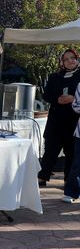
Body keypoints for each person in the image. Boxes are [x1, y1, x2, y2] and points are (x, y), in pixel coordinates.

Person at [39, 49, 80, 187]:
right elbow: (46, 95)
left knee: (71, 152)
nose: (70, 61)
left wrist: (73, 99)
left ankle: (69, 180)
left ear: (77, 59)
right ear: (62, 62)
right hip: (56, 120)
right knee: (50, 150)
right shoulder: (55, 77)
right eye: (66, 59)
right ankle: (42, 177)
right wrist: (57, 99)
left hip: (74, 120)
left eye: (72, 58)